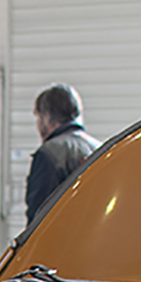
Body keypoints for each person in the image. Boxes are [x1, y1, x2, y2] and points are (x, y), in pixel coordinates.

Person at [25, 83, 97, 223]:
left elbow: (38, 218)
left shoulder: (49, 154)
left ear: (46, 116)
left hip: (62, 241)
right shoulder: (99, 149)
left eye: (39, 117)